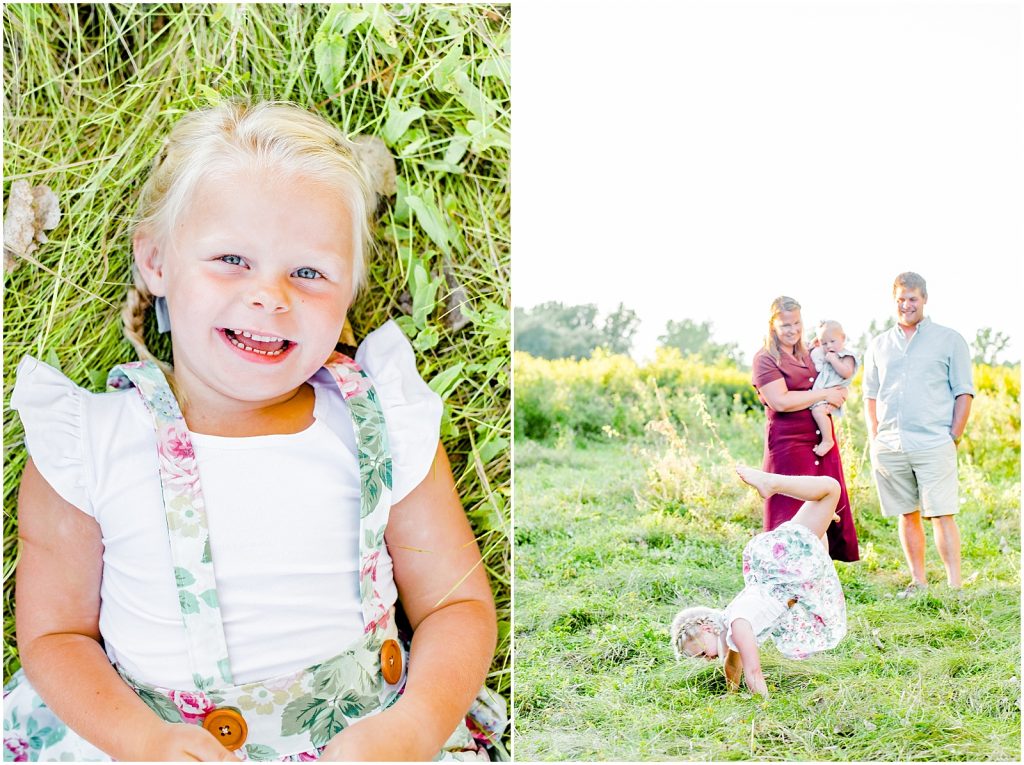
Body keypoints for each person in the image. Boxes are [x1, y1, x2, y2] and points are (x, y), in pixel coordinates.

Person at [3, 101, 504, 762]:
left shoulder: (379, 422)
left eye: (308, 272)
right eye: (232, 258)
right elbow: (54, 634)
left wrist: (413, 727)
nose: (271, 295)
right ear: (155, 260)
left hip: (374, 741)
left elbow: (456, 604)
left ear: (349, 287)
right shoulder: (87, 443)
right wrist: (144, 740)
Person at [671, 466, 848, 697]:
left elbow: (752, 672)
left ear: (706, 628)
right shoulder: (731, 627)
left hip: (783, 572)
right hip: (785, 577)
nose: (708, 660)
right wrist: (731, 697)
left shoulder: (738, 624)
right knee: (816, 549)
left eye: (704, 653)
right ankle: (821, 517)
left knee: (831, 488)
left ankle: (773, 483)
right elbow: (732, 666)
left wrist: (764, 709)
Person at [863, 271, 974, 597]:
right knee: (907, 514)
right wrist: (875, 438)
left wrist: (953, 435)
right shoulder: (879, 344)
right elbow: (870, 395)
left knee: (942, 513)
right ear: (893, 301)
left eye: (912, 299)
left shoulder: (949, 339)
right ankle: (919, 582)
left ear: (924, 299)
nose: (906, 305)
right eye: (900, 299)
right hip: (891, 444)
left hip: (933, 441)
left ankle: (955, 586)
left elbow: (963, 391)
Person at [751, 297, 859, 561]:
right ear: (772, 325)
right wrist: (824, 394)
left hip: (821, 439)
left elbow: (837, 373)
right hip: (790, 443)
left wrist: (837, 394)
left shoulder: (809, 352)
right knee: (792, 509)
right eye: (785, 324)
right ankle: (788, 572)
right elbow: (781, 401)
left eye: (797, 323)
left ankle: (818, 572)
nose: (792, 330)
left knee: (826, 504)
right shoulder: (765, 358)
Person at [808, 320, 858, 457]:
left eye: (832, 341)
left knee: (818, 412)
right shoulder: (824, 355)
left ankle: (827, 440)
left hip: (835, 392)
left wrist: (834, 360)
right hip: (823, 393)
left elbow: (847, 372)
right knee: (817, 410)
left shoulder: (846, 356)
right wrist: (814, 346)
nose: (828, 346)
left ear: (843, 338)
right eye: (824, 343)